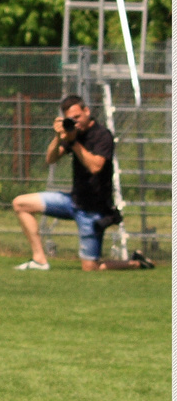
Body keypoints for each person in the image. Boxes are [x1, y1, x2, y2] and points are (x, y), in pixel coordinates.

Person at [11, 95, 153, 271]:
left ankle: (136, 263)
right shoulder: (72, 134)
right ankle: (39, 260)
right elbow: (50, 159)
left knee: (90, 267)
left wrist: (73, 142)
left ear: (87, 111)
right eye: (71, 119)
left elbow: (95, 167)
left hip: (93, 210)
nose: (75, 123)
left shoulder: (102, 135)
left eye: (78, 117)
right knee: (21, 203)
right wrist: (58, 137)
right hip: (73, 201)